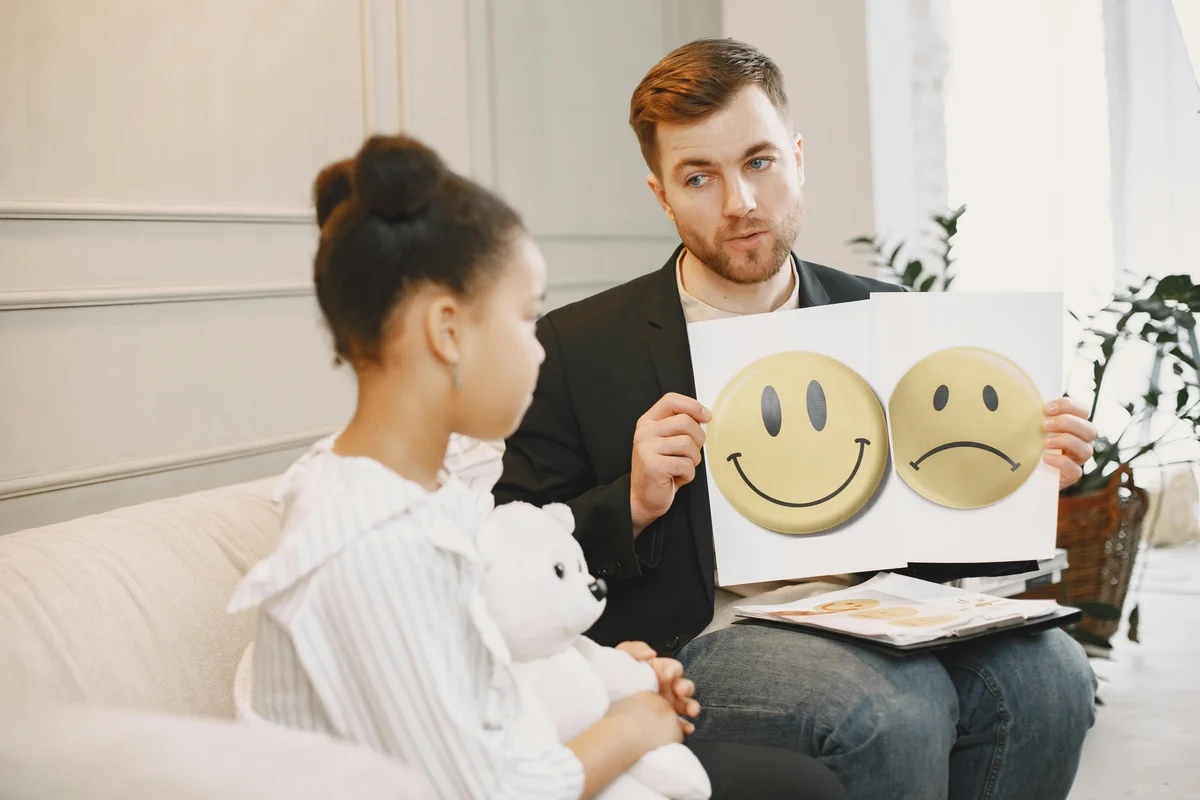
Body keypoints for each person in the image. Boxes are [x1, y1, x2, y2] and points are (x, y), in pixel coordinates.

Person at [494, 39, 1099, 800]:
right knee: (892, 710)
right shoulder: (579, 346)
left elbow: (944, 535)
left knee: (1053, 679)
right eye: (698, 177)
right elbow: (506, 548)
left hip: (887, 611)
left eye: (759, 162)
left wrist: (1023, 468)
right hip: (714, 635)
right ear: (661, 195)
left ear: (797, 158)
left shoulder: (890, 317)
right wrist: (635, 501)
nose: (740, 202)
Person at [227, 134, 847, 800]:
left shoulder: (435, 486)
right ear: (447, 331)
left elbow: (485, 660)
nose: (540, 350)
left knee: (799, 785)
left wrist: (606, 670)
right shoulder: (370, 543)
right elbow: (489, 790)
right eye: (525, 320)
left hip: (522, 749)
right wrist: (635, 725)